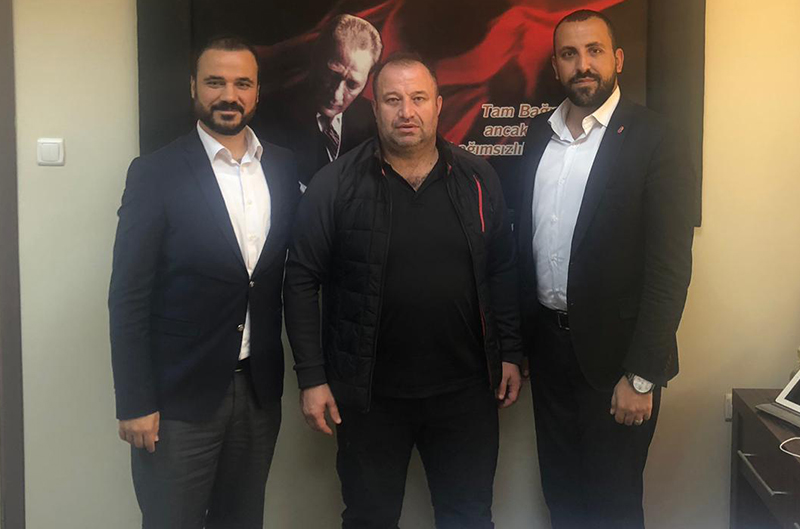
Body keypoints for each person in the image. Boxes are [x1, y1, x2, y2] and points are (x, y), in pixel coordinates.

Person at [284, 53, 523, 528]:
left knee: (469, 517)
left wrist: (512, 351)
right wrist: (311, 378)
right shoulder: (335, 184)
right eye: (392, 100)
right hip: (369, 397)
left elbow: (502, 269)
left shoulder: (478, 179)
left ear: (438, 105)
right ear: (374, 109)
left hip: (466, 393)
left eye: (418, 98)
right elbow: (300, 279)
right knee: (369, 518)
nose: (406, 112)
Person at [108, 36, 300, 529]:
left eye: (242, 83)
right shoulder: (155, 172)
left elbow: (283, 278)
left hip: (258, 393)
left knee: (242, 520)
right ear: (194, 87)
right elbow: (128, 296)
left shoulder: (282, 167)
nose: (228, 95)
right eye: (215, 82)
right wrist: (135, 401)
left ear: (257, 92)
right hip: (177, 399)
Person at [516, 10, 695, 529]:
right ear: (555, 66)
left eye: (594, 51)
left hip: (619, 364)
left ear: (617, 58)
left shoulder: (656, 137)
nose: (583, 65)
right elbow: (522, 246)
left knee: (613, 508)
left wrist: (641, 376)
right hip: (549, 355)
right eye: (569, 54)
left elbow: (669, 269)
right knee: (562, 498)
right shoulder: (538, 137)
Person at [258, 14, 382, 187]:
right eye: (332, 75)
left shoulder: (374, 120)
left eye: (352, 84)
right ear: (315, 58)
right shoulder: (270, 115)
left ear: (368, 79)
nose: (337, 95)